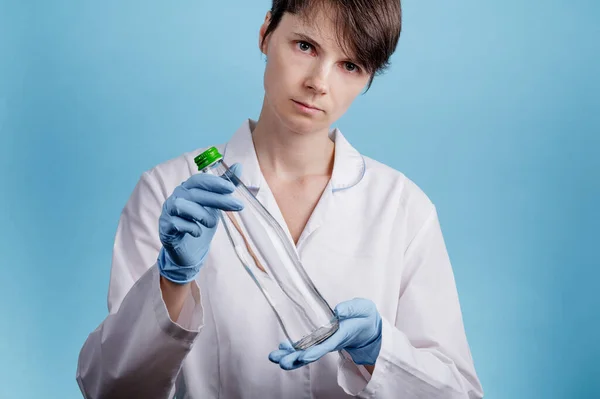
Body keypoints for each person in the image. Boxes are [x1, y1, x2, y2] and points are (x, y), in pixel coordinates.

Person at [76, 0, 484, 398]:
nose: (319, 83)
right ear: (265, 33)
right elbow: (109, 389)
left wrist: (380, 352)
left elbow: (461, 393)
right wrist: (171, 280)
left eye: (350, 65)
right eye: (305, 46)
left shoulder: (402, 208)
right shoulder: (169, 191)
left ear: (368, 79)